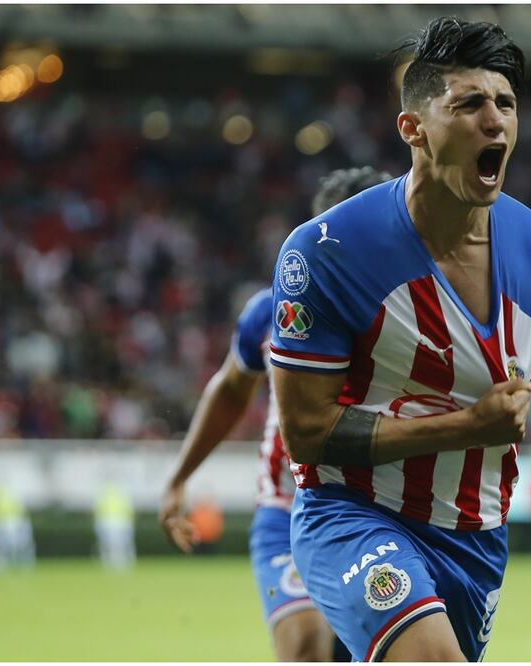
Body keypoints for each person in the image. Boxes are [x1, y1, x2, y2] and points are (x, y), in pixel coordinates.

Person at [269, 17, 531, 662]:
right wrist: (466, 428)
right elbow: (306, 433)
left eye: (506, 103)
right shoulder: (326, 252)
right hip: (352, 513)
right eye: (470, 103)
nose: (495, 120)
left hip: (475, 539)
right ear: (413, 128)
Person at [159, 167, 392, 662]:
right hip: (290, 507)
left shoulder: (415, 314)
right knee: (306, 646)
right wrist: (180, 477)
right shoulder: (275, 312)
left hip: (389, 510)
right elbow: (231, 390)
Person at [94, 482, 136, 570]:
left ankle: (116, 562)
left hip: (115, 523)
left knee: (114, 545)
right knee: (118, 545)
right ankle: (120, 562)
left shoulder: (107, 496)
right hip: (115, 523)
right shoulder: (122, 496)